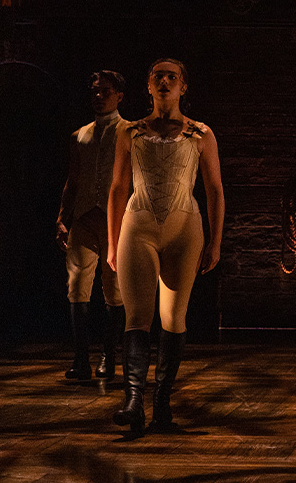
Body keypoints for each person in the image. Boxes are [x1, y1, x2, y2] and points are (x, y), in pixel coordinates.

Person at [107, 58, 224, 434]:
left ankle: (162, 402)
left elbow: (215, 191)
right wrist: (112, 243)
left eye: (172, 76)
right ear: (148, 85)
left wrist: (216, 241)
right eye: (158, 75)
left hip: (184, 230)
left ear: (183, 87)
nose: (165, 81)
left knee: (174, 317)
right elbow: (116, 189)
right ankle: (133, 399)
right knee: (137, 316)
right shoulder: (131, 133)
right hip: (138, 226)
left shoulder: (200, 134)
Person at [56, 71, 129, 381]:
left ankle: (109, 357)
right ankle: (80, 358)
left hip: (117, 221)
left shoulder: (131, 132)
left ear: (119, 96)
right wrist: (62, 216)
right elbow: (73, 180)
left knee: (114, 290)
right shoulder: (79, 135)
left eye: (106, 91)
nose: (99, 96)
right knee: (77, 288)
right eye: (95, 91)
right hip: (84, 218)